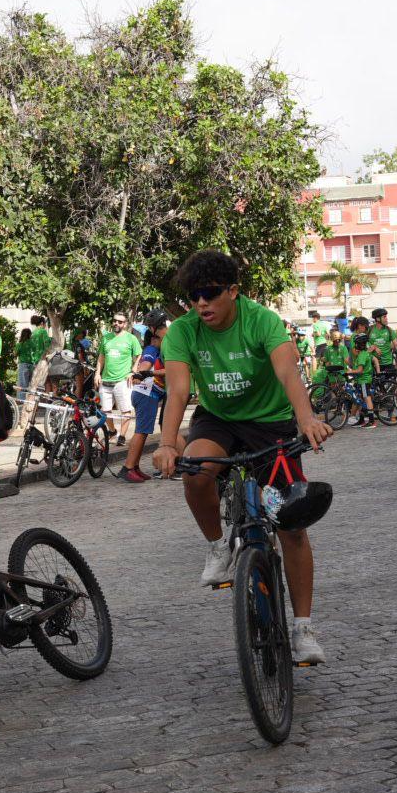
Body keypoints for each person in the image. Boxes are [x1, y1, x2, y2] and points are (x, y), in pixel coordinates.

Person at [152, 249, 333, 665]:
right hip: (218, 421)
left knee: (290, 525)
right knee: (195, 470)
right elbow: (178, 391)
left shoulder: (262, 321)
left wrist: (306, 419)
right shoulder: (182, 331)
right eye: (193, 296)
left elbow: (289, 372)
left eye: (210, 294)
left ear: (233, 291)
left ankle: (303, 629)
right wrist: (165, 443)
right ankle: (218, 546)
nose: (201, 304)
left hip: (271, 424)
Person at [118, 318, 169, 483]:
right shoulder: (152, 349)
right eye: (161, 336)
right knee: (141, 431)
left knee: (144, 431)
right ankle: (128, 468)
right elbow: (145, 364)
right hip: (146, 395)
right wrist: (141, 372)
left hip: (148, 395)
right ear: (154, 338)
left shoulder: (156, 349)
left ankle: (135, 466)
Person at [97, 313, 142, 446]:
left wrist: (133, 371)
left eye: (120, 322)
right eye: (115, 321)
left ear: (125, 324)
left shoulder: (131, 338)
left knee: (125, 410)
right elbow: (101, 356)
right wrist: (97, 373)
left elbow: (139, 355)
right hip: (105, 380)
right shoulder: (106, 338)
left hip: (123, 381)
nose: (117, 323)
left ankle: (122, 436)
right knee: (105, 410)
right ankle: (112, 431)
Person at [14, 327, 34, 403]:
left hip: (23, 365)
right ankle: (31, 400)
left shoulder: (20, 344)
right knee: (31, 384)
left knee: (22, 384)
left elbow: (15, 354)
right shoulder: (32, 343)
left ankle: (21, 401)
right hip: (31, 365)